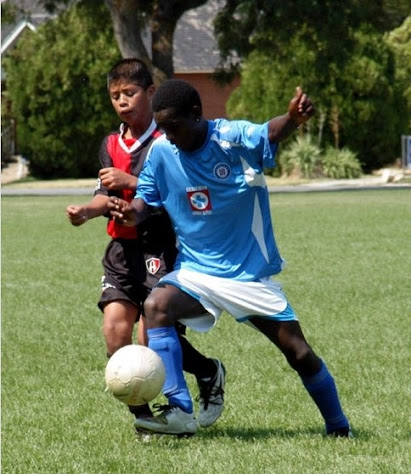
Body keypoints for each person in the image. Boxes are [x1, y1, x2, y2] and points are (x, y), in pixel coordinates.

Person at [109, 78, 353, 438]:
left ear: (196, 114)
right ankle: (179, 410)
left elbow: (269, 133)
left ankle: (339, 427)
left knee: (299, 353)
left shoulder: (231, 138)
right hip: (196, 273)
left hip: (248, 275)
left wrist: (292, 119)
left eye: (174, 127)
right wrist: (133, 214)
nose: (169, 135)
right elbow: (146, 198)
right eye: (163, 128)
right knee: (157, 305)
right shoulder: (162, 152)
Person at [66, 61, 225, 435]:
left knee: (150, 337)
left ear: (150, 93)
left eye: (129, 93)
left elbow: (180, 193)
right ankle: (145, 417)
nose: (122, 102)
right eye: (114, 96)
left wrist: (132, 181)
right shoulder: (110, 143)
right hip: (121, 252)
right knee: (115, 333)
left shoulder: (168, 139)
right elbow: (105, 194)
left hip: (162, 248)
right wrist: (86, 212)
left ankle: (207, 372)